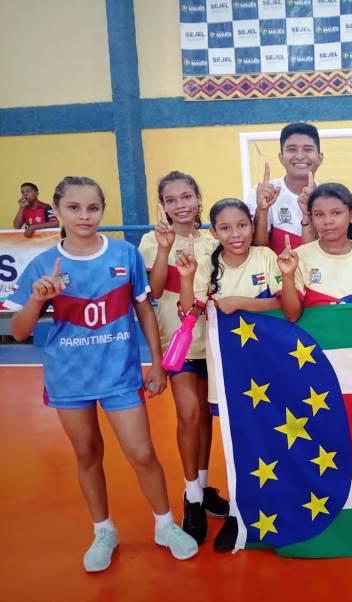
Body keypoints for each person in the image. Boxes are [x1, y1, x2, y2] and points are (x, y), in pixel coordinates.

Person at [7, 176, 198, 572]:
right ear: (57, 211)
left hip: (119, 374)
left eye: (93, 208)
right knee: (87, 453)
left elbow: (145, 309)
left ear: (102, 210)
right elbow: (20, 331)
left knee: (143, 453)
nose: (84, 216)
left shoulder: (124, 253)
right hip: (69, 378)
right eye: (74, 208)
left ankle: (165, 525)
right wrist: (39, 300)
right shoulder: (43, 265)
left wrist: (158, 362)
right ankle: (103, 530)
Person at [176, 197, 282, 552]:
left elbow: (284, 302)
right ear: (214, 231)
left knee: (266, 436)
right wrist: (188, 278)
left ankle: (261, 506)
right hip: (225, 368)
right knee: (234, 440)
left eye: (242, 225)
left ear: (252, 224)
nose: (235, 234)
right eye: (225, 227)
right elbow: (189, 309)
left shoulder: (266, 257)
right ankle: (237, 510)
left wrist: (240, 302)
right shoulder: (209, 263)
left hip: (267, 366)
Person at [138, 171, 229, 546]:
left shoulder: (212, 241)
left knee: (205, 420)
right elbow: (156, 289)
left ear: (197, 198)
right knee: (188, 415)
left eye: (187, 196)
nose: (181, 204)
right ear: (163, 205)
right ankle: (191, 496)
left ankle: (204, 487)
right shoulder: (152, 240)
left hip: (215, 344)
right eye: (172, 199)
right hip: (180, 346)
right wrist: (164, 249)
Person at [279, 183, 352, 321]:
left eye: (336, 213)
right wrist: (287, 275)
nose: (328, 221)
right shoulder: (298, 257)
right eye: (319, 214)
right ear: (311, 218)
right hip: (317, 340)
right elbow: (292, 316)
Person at [247, 122, 323, 254]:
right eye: (292, 149)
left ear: (320, 158)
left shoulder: (331, 196)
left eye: (308, 149)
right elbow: (258, 252)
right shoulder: (261, 193)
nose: (299, 156)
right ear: (281, 158)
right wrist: (262, 210)